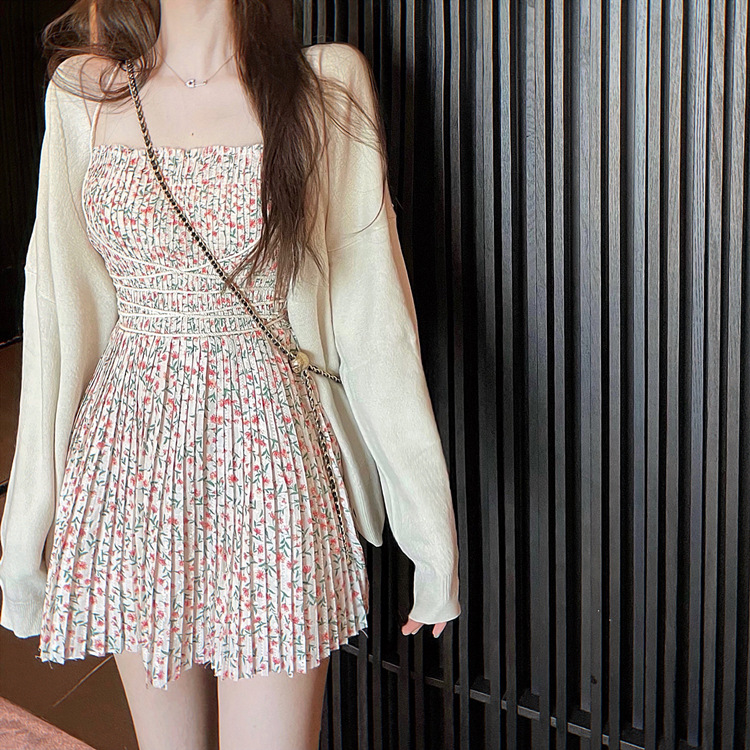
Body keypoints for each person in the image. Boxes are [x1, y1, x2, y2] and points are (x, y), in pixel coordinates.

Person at [0, 1, 460, 748]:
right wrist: (26, 535)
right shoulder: (84, 93)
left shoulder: (323, 87)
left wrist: (429, 533)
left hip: (269, 459)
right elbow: (54, 316)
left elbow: (376, 318)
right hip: (132, 458)